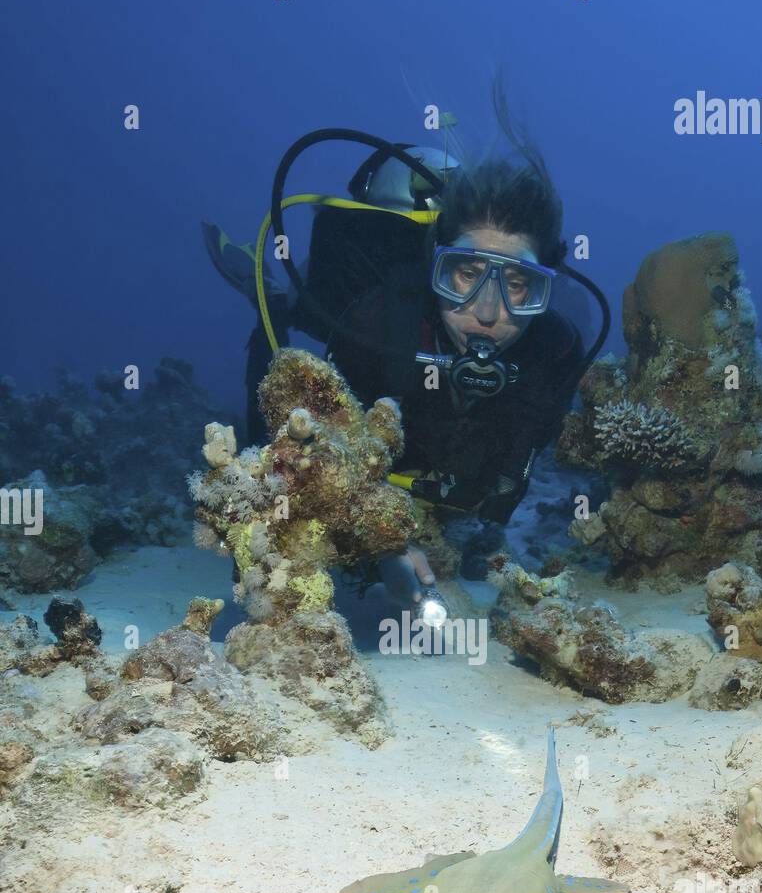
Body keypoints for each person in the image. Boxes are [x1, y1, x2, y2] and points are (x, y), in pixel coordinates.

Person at [204, 135, 593, 611]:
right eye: (466, 275)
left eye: (518, 285)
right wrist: (378, 539)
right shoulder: (376, 324)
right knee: (291, 313)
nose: (487, 313)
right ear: (436, 267)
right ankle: (263, 286)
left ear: (544, 291)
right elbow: (312, 467)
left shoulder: (556, 351)